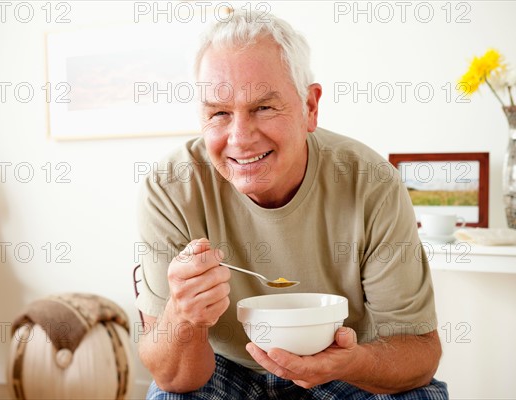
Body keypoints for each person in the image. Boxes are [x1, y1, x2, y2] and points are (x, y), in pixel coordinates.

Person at [135, 11, 448, 400]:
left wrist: (344, 362)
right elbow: (173, 379)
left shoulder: (371, 181)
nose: (240, 138)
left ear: (310, 107)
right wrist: (184, 317)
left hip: (345, 361)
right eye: (219, 113)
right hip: (226, 364)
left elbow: (419, 354)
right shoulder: (170, 187)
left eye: (264, 107)